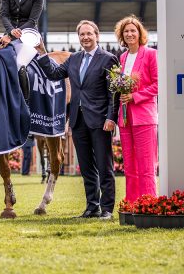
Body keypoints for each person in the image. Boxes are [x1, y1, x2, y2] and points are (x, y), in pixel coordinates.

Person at [35, 20, 119, 220]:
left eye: (89, 34)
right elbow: (54, 74)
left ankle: (107, 209)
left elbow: (113, 93)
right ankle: (92, 208)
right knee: (87, 167)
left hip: (100, 121)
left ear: (96, 36)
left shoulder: (108, 59)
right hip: (77, 121)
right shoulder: (73, 59)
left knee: (104, 166)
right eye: (82, 34)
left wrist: (111, 118)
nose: (85, 37)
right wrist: (42, 53)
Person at [114, 15, 158, 202]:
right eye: (126, 31)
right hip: (125, 118)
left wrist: (135, 96)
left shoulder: (151, 54)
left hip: (144, 116)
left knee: (146, 165)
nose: (130, 34)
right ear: (122, 36)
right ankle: (132, 203)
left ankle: (148, 203)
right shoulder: (122, 57)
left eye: (133, 30)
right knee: (130, 165)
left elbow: (158, 84)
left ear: (140, 34)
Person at [0, 0, 45, 102]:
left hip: (29, 35)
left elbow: (32, 21)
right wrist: (10, 31)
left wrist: (12, 36)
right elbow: (4, 14)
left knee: (19, 64)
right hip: (9, 31)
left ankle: (25, 104)